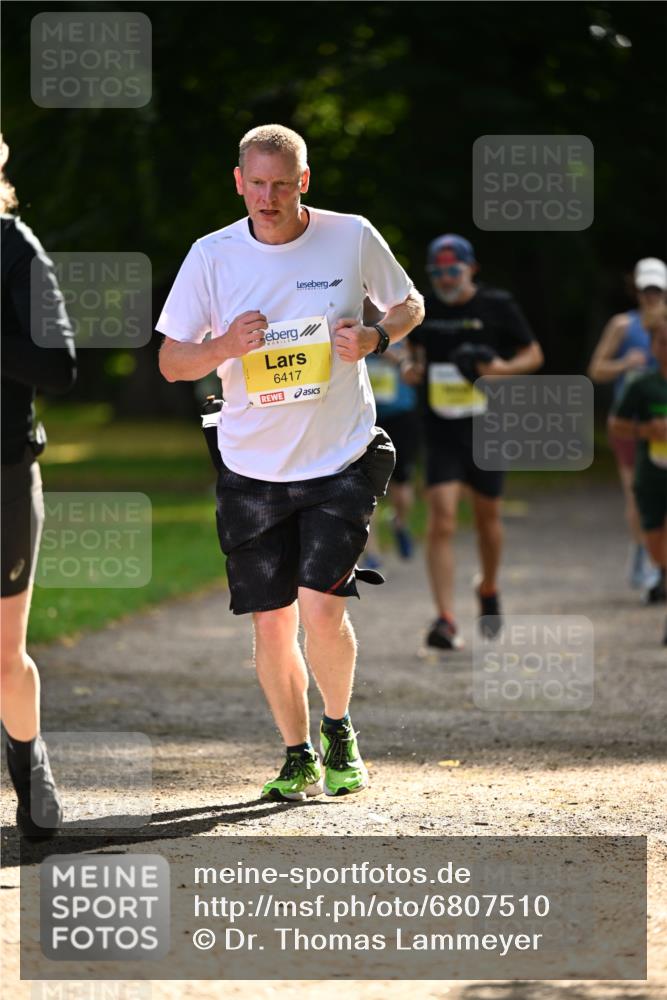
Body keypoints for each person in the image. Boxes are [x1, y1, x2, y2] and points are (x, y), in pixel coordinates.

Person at [157, 124, 424, 800]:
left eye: (282, 185)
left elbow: (408, 303)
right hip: (250, 468)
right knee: (272, 621)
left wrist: (374, 334)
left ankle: (339, 730)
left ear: (302, 182)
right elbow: (169, 362)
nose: (268, 198)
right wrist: (222, 346)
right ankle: (296, 752)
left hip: (341, 456)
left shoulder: (349, 234)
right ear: (238, 181)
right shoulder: (210, 255)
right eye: (257, 185)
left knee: (320, 608)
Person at [405, 234, 543, 654]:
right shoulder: (423, 309)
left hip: (488, 427)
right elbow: (412, 353)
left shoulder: (496, 305)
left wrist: (501, 371)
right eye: (438, 272)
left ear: (471, 269)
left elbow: (534, 354)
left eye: (453, 270)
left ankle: (488, 586)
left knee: (487, 518)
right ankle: (445, 618)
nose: (445, 278)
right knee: (442, 518)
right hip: (441, 427)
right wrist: (412, 367)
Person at [1, 135, 77, 837]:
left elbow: (60, 369)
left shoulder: (14, 247)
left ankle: (30, 766)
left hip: (3, 470)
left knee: (3, 655)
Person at [588, 258, 665, 598]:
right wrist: (624, 363)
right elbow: (596, 369)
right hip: (630, 424)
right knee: (637, 496)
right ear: (636, 289)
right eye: (645, 289)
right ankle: (644, 558)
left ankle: (656, 563)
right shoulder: (622, 325)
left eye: (657, 289)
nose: (650, 295)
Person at [609, 316, 667, 644]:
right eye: (661, 342)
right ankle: (660, 572)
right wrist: (646, 431)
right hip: (651, 475)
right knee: (657, 545)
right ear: (654, 346)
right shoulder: (641, 384)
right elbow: (616, 425)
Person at [364, 338, 421, 567]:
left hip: (401, 415)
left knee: (402, 487)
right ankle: (372, 553)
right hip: (366, 418)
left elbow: (417, 368)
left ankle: (399, 522)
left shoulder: (403, 328)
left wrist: (388, 352)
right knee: (366, 487)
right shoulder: (347, 324)